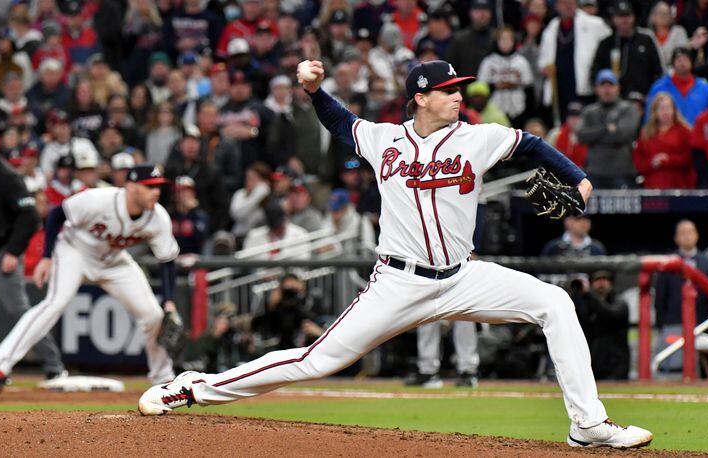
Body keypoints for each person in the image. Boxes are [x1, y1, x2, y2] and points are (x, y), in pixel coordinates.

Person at [139, 59, 653, 450]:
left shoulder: (477, 139)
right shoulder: (385, 140)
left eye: (459, 89)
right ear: (421, 97)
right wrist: (315, 90)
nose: (458, 96)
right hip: (399, 283)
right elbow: (342, 123)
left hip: (462, 275)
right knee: (316, 361)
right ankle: (192, 387)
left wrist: (581, 184)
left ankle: (588, 425)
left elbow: (535, 146)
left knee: (554, 304)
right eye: (449, 90)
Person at [0, 164, 181, 390]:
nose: (156, 192)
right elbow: (57, 214)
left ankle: (163, 377)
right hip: (75, 251)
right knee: (54, 305)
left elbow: (167, 260)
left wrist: (170, 301)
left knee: (154, 315)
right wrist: (46, 257)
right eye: (149, 187)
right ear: (131, 186)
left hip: (114, 261)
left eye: (158, 187)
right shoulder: (98, 200)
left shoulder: (158, 218)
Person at [0, 122, 65, 381]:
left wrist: (13, 252)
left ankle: (54, 366)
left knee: (22, 313)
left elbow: (28, 217)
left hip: (2, 256)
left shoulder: (7, 176)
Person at [654, 220, 708, 372]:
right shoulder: (667, 263)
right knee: (670, 365)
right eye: (682, 233)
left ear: (697, 235)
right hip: (673, 323)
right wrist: (662, 322)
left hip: (701, 324)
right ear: (676, 238)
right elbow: (660, 297)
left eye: (690, 232)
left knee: (700, 368)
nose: (687, 236)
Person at [539, 0, 611, 121]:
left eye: (571, 2)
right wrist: (545, 68)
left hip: (584, 88)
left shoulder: (594, 23)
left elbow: (609, 47)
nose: (568, 6)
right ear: (557, 6)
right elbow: (543, 59)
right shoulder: (551, 28)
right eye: (564, 3)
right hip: (560, 88)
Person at [576, 70, 640, 188]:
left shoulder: (628, 109)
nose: (607, 89)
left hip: (621, 173)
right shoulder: (589, 111)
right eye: (603, 85)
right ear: (596, 88)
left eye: (611, 85)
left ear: (618, 88)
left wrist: (594, 137)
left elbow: (622, 135)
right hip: (594, 173)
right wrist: (606, 129)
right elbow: (581, 136)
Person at [591, 0, 663, 98]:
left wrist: (651, 95)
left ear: (633, 17)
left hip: (643, 100)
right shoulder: (606, 44)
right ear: (614, 18)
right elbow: (595, 73)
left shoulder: (646, 40)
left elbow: (658, 71)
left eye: (627, 16)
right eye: (620, 16)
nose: (624, 20)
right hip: (614, 102)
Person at [571, 270, 630, 380]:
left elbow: (610, 315)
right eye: (597, 280)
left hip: (615, 364)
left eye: (605, 280)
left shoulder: (619, 301)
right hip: (593, 363)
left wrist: (589, 295)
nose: (601, 283)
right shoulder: (586, 303)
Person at [633, 92, 696, 189]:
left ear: (674, 110)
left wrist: (668, 160)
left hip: (679, 187)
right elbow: (638, 161)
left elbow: (690, 158)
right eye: (661, 108)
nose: (665, 112)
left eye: (668, 108)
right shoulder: (646, 133)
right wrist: (652, 163)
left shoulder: (685, 131)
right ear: (655, 112)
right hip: (653, 187)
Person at [646, 47, 708, 126]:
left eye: (685, 60)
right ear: (673, 64)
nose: (682, 63)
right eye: (679, 60)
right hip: (667, 136)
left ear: (691, 62)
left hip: (697, 135)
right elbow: (649, 117)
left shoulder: (704, 88)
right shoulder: (659, 87)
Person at [541, 214, 607, 257]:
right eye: (578, 219)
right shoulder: (553, 248)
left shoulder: (597, 248)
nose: (583, 223)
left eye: (586, 219)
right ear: (567, 221)